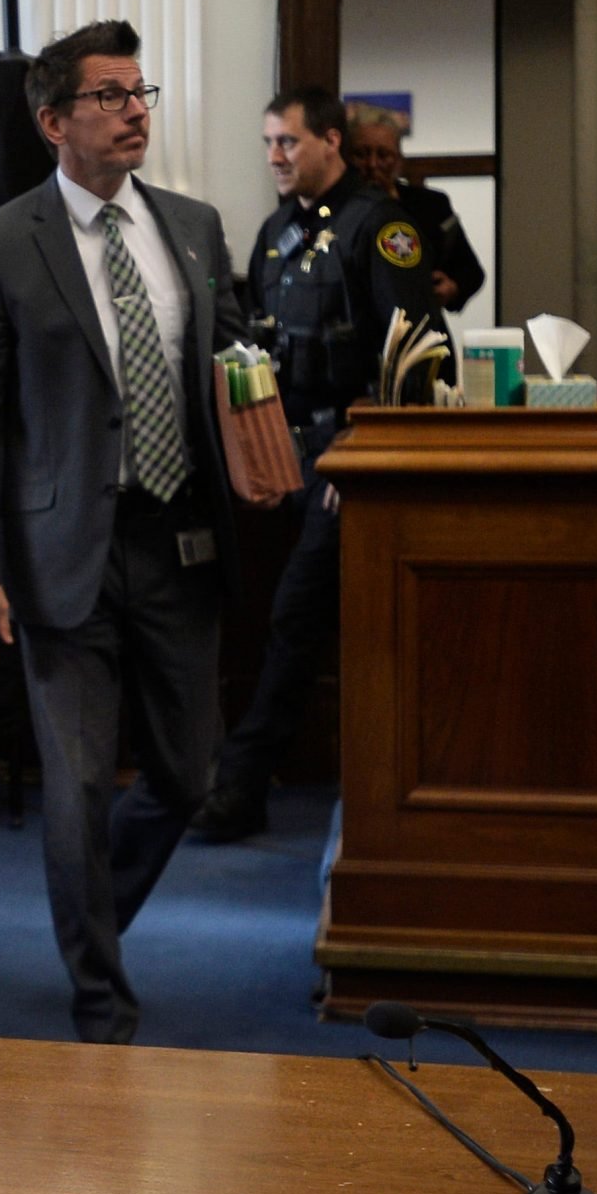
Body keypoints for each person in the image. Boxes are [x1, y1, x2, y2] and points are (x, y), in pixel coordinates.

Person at [0, 21, 247, 1045]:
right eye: (110, 96)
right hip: (58, 557)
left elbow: (227, 365)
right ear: (52, 120)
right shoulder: (0, 243)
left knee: (186, 778)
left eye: (139, 92)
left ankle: (89, 910)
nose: (134, 111)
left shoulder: (195, 229)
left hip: (181, 546)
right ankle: (99, 994)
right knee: (74, 789)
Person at [190, 86, 440, 844]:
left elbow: (416, 356)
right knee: (282, 617)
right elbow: (259, 352)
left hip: (353, 468)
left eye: (288, 143)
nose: (275, 157)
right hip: (286, 459)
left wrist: (365, 460)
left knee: (302, 617)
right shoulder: (274, 233)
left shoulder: (385, 227)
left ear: (331, 141)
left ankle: (241, 788)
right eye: (268, 143)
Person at [344, 104, 486, 311]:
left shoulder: (431, 205)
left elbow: (471, 271)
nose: (373, 164)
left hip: (418, 323)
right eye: (361, 154)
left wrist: (451, 287)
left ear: (399, 161)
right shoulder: (334, 207)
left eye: (383, 155)